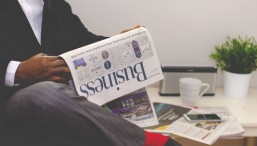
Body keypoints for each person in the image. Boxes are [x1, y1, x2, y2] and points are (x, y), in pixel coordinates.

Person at [0, 0, 182, 146]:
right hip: (10, 98)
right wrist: (18, 71)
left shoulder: (56, 5)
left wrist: (120, 43)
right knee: (46, 93)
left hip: (62, 98)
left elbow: (83, 42)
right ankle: (151, 142)